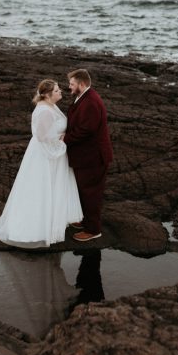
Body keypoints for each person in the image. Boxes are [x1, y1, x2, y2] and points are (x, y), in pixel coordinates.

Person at [0, 79, 83, 248]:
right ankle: (37, 227)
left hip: (52, 153)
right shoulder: (44, 111)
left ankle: (54, 219)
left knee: (52, 186)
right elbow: (42, 137)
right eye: (56, 91)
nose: (60, 92)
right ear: (48, 95)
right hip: (46, 155)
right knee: (42, 187)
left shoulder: (50, 106)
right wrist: (61, 144)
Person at [64, 69, 113, 242]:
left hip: (94, 158)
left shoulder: (91, 101)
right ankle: (85, 220)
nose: (69, 87)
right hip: (87, 156)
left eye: (72, 84)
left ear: (82, 84)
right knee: (84, 191)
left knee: (91, 193)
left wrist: (65, 138)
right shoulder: (83, 96)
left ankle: (93, 230)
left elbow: (87, 130)